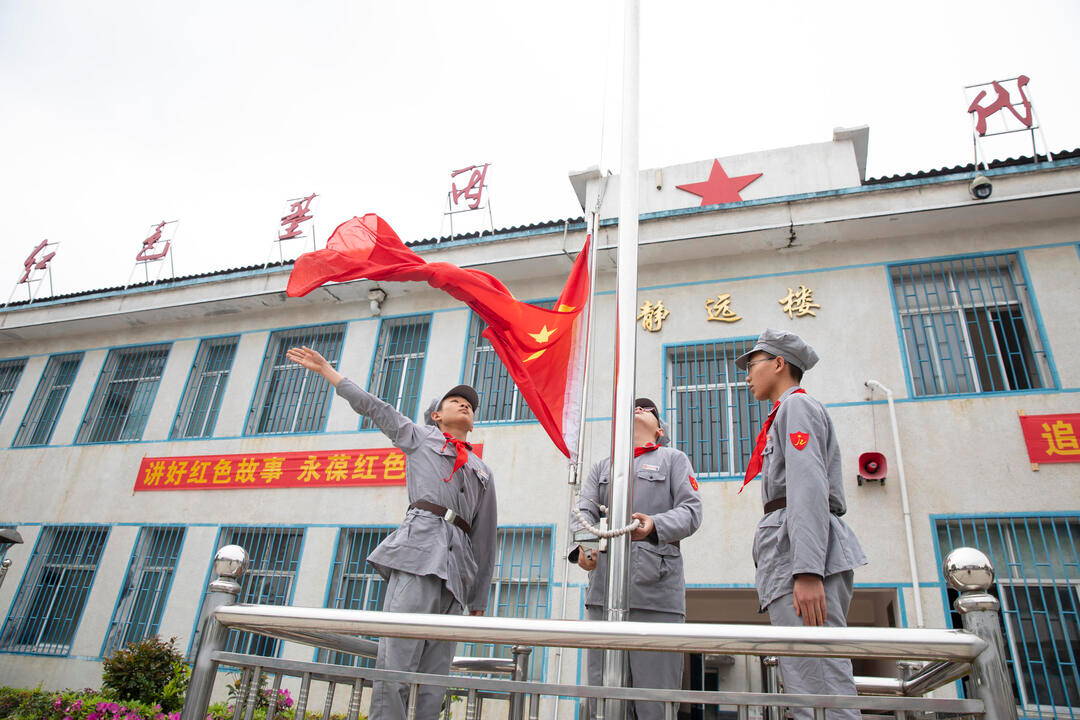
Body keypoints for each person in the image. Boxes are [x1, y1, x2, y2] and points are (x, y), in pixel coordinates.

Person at [285, 346, 498, 720]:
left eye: (469, 403)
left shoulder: (481, 469)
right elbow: (375, 407)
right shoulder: (417, 438)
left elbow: (485, 536)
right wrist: (328, 372)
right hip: (418, 556)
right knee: (396, 662)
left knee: (436, 675)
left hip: (456, 573)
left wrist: (478, 596)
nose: (465, 404)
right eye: (455, 400)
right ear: (437, 415)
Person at [736, 329, 867, 719]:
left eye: (752, 365)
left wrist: (807, 570)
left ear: (778, 364)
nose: (747, 376)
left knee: (819, 683)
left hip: (803, 555)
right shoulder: (787, 412)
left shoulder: (797, 408)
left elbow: (808, 488)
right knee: (806, 680)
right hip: (794, 550)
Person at [569, 398, 703, 720]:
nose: (639, 410)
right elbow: (583, 510)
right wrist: (584, 548)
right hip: (604, 595)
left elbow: (691, 511)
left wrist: (656, 524)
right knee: (603, 699)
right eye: (634, 408)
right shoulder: (604, 467)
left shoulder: (674, 460)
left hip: (656, 597)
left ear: (659, 429)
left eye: (648, 410)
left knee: (654, 701)